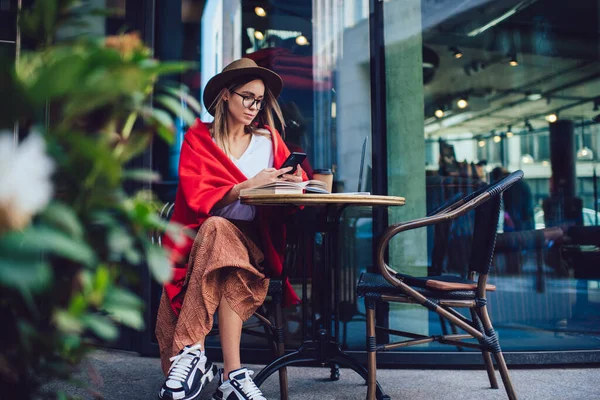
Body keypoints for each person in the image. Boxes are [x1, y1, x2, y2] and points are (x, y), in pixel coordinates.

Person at [156, 58, 306, 400]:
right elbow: (197, 199)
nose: (255, 107)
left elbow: (294, 194)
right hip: (197, 243)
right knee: (216, 231)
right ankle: (233, 375)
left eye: (260, 100)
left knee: (219, 231)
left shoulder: (269, 141)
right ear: (225, 95)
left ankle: (191, 350)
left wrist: (291, 184)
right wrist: (247, 186)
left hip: (254, 243)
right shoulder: (198, 138)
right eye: (247, 97)